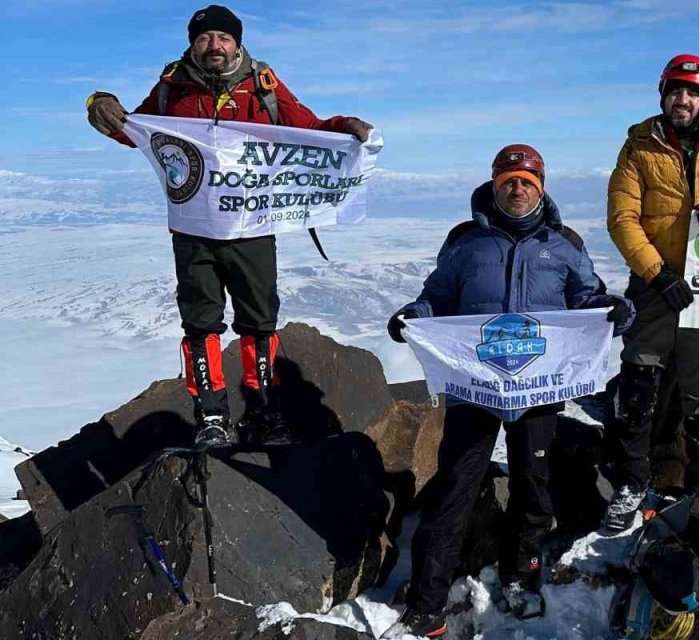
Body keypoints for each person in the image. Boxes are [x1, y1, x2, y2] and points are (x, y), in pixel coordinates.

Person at [84, 5, 373, 448]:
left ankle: (263, 412)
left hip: (252, 228)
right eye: (204, 38)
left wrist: (344, 127)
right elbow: (130, 128)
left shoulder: (264, 87)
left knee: (259, 324)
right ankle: (211, 416)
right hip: (193, 230)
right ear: (192, 43)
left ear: (236, 42)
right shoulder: (171, 88)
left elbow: (309, 129)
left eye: (223, 38)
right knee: (200, 324)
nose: (214, 46)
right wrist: (98, 102)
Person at [384, 144, 633, 637]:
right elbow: (436, 297)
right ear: (494, 185)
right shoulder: (465, 241)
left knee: (532, 485)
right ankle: (427, 600)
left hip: (538, 387)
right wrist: (415, 317)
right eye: (508, 181)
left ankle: (521, 577)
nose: (517, 189)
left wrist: (612, 310)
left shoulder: (564, 243)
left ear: (541, 187)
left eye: (527, 182)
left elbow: (586, 298)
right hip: (474, 386)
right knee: (455, 487)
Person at [602, 53, 699, 531]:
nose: (684, 100)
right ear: (664, 95)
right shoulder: (638, 147)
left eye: (692, 92)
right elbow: (622, 219)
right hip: (656, 286)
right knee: (640, 379)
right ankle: (631, 481)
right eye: (676, 91)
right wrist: (656, 273)